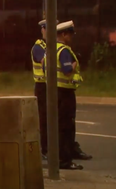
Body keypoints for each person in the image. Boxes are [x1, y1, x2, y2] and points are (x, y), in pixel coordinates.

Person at [44, 20, 90, 170]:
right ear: (64, 34)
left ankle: (57, 158)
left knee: (57, 127)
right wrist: (75, 63)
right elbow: (67, 70)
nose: (72, 37)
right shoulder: (64, 50)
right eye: (70, 34)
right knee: (66, 127)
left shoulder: (51, 48)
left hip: (54, 92)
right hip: (64, 93)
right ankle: (65, 161)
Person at [31, 19, 58, 161]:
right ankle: (45, 149)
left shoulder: (54, 45)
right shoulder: (39, 47)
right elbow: (45, 62)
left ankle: (56, 148)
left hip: (53, 85)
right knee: (44, 119)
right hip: (42, 86)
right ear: (43, 30)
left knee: (56, 118)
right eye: (47, 29)